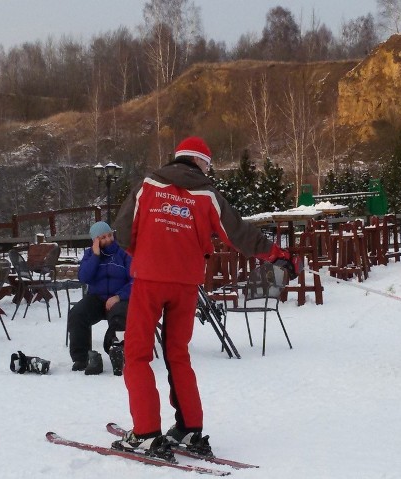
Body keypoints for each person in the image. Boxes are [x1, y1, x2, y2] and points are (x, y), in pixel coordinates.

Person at [113, 136, 299, 461]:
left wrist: (145, 255)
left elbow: (123, 231)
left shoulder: (148, 185)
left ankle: (145, 433)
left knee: (138, 355)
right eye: (207, 165)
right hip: (185, 283)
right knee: (177, 354)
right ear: (199, 162)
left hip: (149, 281)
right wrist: (278, 256)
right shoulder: (208, 195)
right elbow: (238, 233)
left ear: (178, 158)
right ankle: (188, 428)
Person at [68, 221, 133, 376]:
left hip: (119, 299)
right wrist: (96, 256)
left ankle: (116, 351)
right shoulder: (90, 254)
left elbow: (135, 280)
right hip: (97, 298)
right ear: (95, 241)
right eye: (103, 237)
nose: (108, 239)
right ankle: (81, 358)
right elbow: (84, 277)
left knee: (119, 316)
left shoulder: (123, 253)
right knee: (77, 313)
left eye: (110, 235)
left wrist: (119, 296)